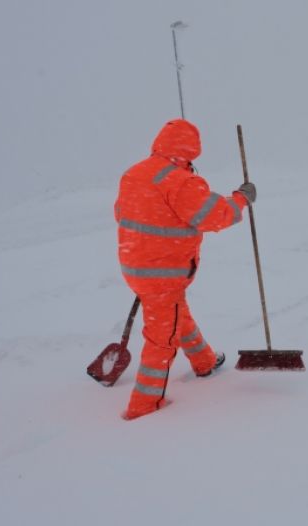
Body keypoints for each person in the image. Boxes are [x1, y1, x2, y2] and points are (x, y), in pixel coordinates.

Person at [114, 119, 256, 420]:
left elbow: (123, 213)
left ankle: (204, 361)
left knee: (176, 313)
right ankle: (144, 405)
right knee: (161, 340)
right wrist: (241, 199)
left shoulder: (135, 173)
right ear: (191, 149)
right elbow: (213, 215)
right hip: (162, 273)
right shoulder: (179, 181)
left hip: (135, 266)